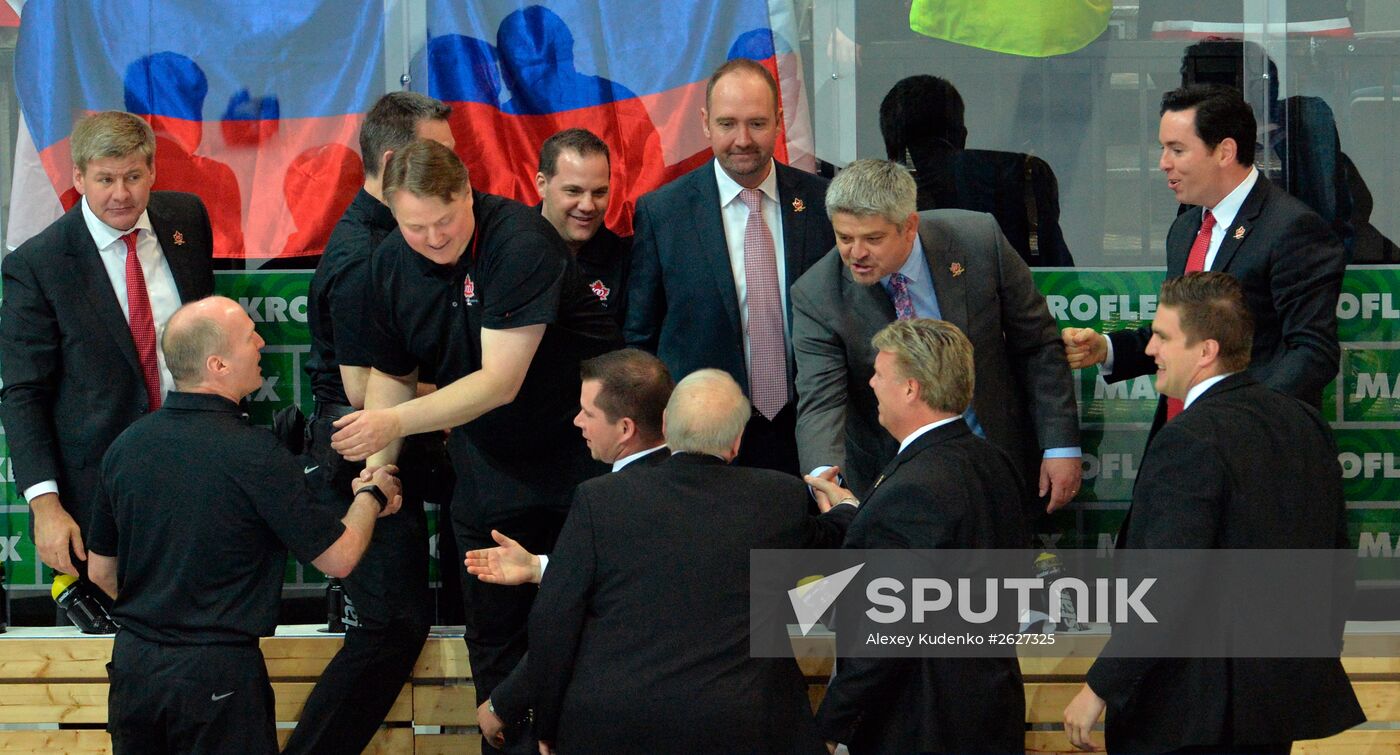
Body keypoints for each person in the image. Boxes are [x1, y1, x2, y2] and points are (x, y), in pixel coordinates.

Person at [328, 139, 618, 754]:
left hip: (577, 468)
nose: (433, 238)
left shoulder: (519, 242)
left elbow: (499, 382)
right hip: (485, 473)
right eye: (415, 226)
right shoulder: (388, 264)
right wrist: (378, 473)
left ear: (469, 193)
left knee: (582, 628)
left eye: (445, 220)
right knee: (491, 636)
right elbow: (391, 375)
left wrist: (393, 423)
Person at [86, 296, 403, 755]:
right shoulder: (256, 455)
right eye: (248, 336)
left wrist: (164, 619)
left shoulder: (126, 446)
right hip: (218, 675)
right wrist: (372, 495)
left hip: (135, 667)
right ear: (217, 364)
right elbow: (340, 555)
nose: (260, 341)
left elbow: (100, 572)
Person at [1062, 273, 1364, 753]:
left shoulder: (1189, 439)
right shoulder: (1303, 421)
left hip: (1188, 714)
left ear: (1205, 351)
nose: (1152, 350)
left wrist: (1100, 685)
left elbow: (1167, 585)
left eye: (1162, 336)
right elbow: (1335, 560)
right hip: (1273, 705)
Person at [528, 369, 857, 754]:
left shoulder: (599, 500)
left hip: (616, 727)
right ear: (737, 441)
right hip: (745, 728)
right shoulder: (777, 498)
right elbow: (833, 544)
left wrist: (548, 723)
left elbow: (554, 616)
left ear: (667, 425)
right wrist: (846, 507)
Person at [289, 91, 456, 755]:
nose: (455, 169)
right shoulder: (363, 259)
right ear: (393, 162)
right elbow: (368, 397)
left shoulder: (402, 235)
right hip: (365, 463)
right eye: (438, 156)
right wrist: (488, 387)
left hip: (405, 459)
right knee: (391, 627)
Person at [0, 111, 214, 609]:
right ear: (78, 178)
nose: (121, 194)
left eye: (133, 177)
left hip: (193, 471)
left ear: (153, 171)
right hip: (96, 495)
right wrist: (45, 505)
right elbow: (24, 395)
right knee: (109, 656)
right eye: (105, 179)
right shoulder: (38, 265)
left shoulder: (187, 221)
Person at [792, 159, 1081, 516]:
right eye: (844, 238)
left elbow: (1037, 345)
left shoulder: (978, 241)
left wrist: (1060, 446)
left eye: (873, 238)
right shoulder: (817, 295)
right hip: (893, 482)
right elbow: (821, 401)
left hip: (995, 460)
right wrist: (827, 479)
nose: (857, 253)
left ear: (910, 226)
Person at [1063, 84, 1344, 432]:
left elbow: (1312, 352)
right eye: (1163, 149)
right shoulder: (1184, 230)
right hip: (1182, 436)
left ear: (1225, 151)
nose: (1163, 163)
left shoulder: (1292, 228)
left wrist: (1238, 418)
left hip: (1252, 443)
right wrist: (1106, 349)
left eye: (1177, 150)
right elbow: (1185, 334)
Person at [808, 318, 1027, 753]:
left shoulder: (916, 484)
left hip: (923, 723)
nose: (870, 383)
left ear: (911, 388)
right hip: (987, 711)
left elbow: (886, 631)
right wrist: (857, 512)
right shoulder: (990, 461)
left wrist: (830, 727)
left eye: (880, 374)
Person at [625, 58, 835, 474]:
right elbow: (640, 336)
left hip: (808, 431)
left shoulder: (822, 203)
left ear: (779, 121)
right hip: (706, 443)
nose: (742, 140)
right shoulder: (663, 212)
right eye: (727, 124)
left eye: (757, 124)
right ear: (705, 123)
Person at [467, 347, 674, 747]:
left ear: (626, 428)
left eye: (588, 413)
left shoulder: (601, 500)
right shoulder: (720, 489)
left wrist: (502, 706)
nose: (578, 422)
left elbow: (562, 625)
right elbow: (641, 579)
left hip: (623, 723)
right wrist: (542, 567)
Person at [879, 74, 1074, 267]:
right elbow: (1060, 276)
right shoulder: (1025, 176)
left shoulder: (871, 199)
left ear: (890, 150)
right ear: (961, 137)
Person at [535, 128, 633, 323]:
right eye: (573, 191)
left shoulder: (629, 261)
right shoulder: (507, 247)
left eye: (599, 193)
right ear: (542, 185)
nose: (588, 206)